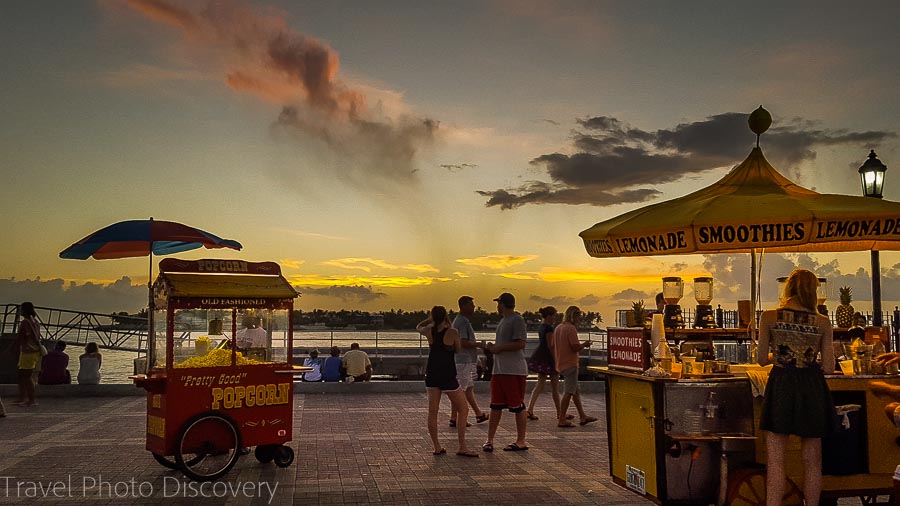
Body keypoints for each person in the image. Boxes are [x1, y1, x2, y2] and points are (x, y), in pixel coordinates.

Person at [757, 269, 835, 506]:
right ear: (813, 291)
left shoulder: (769, 317)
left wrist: (783, 356)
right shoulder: (822, 322)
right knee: (812, 460)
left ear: (788, 288)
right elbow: (830, 366)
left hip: (781, 384)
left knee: (776, 459)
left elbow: (761, 359)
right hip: (811, 386)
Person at [416, 306, 478, 458]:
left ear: (433, 317)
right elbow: (457, 349)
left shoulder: (429, 331)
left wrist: (429, 320)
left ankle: (437, 447)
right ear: (446, 316)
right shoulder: (452, 332)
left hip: (432, 373)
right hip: (447, 374)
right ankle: (462, 446)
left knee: (433, 412)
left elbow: (418, 326)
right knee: (463, 409)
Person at [483, 292, 529, 452]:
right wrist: (492, 349)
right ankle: (489, 440)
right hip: (499, 370)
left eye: (498, 303)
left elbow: (521, 343)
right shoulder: (503, 321)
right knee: (495, 405)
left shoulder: (517, 320)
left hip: (513, 371)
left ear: (502, 304)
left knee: (517, 406)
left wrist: (499, 348)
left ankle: (521, 440)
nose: (497, 306)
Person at [549, 306, 597, 428]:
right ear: (574, 316)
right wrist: (585, 344)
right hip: (570, 364)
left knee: (575, 391)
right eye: (578, 317)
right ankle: (562, 418)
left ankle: (582, 416)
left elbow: (553, 345)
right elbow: (575, 347)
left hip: (561, 363)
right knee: (569, 392)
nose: (579, 320)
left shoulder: (558, 328)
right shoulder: (570, 329)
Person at [449, 296, 489, 427]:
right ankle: (458, 418)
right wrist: (480, 345)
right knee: (460, 390)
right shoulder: (462, 322)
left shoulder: (462, 321)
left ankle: (477, 414)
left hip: (466, 360)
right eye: (471, 304)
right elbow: (463, 342)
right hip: (464, 360)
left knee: (468, 388)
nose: (474, 307)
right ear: (463, 306)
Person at [526, 306, 563, 421]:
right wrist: (557, 360)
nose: (554, 318)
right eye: (553, 316)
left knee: (540, 384)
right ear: (549, 316)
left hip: (540, 357)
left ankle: (530, 409)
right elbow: (551, 345)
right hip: (549, 359)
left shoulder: (541, 327)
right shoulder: (549, 328)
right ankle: (560, 413)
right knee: (555, 388)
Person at [15, 302, 42, 407]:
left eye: (21, 309)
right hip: (34, 352)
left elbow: (20, 338)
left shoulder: (25, 322)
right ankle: (24, 398)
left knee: (26, 376)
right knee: (23, 375)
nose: (20, 311)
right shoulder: (35, 322)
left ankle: (30, 399)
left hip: (27, 352)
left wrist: (11, 349)